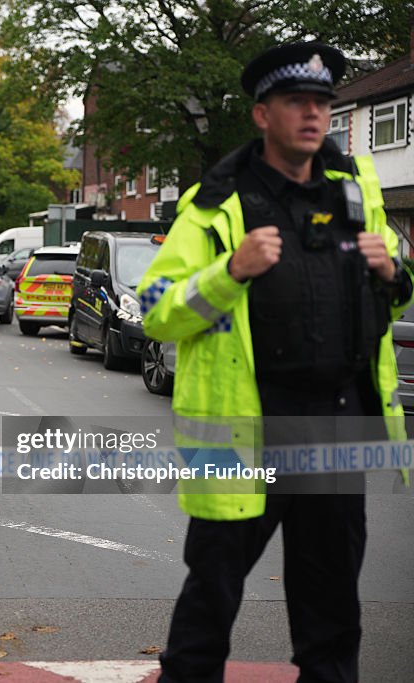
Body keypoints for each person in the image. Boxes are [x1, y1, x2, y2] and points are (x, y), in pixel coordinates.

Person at [137, 42, 413, 683]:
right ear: (263, 115)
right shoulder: (218, 204)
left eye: (322, 102)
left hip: (340, 428)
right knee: (212, 596)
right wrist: (229, 272)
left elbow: (394, 298)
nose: (314, 114)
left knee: (333, 608)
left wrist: (393, 273)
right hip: (249, 428)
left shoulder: (355, 194)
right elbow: (153, 309)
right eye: (298, 102)